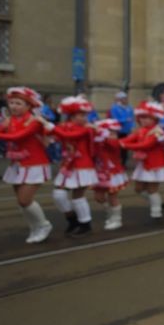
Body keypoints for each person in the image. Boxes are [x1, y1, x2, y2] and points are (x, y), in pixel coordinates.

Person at [0, 87, 54, 244]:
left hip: (34, 163)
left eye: (18, 103)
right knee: (21, 201)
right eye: (11, 102)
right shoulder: (9, 120)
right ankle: (34, 227)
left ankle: (44, 225)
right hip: (17, 164)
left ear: (28, 106)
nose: (13, 106)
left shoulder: (34, 121)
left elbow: (19, 136)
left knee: (24, 200)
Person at [50, 96, 99, 237]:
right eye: (81, 115)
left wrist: (51, 127)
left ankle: (85, 224)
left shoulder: (87, 129)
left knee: (78, 196)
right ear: (71, 115)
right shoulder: (64, 126)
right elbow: (54, 135)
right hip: (68, 165)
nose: (85, 118)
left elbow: (70, 135)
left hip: (83, 166)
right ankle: (72, 219)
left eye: (85, 115)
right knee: (58, 194)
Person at [120, 100, 164, 219]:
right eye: (142, 117)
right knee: (138, 189)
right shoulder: (141, 130)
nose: (144, 120)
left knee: (152, 189)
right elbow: (129, 139)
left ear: (155, 119)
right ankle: (157, 203)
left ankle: (156, 212)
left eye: (148, 118)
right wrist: (117, 142)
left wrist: (125, 146)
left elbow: (147, 145)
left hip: (154, 164)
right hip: (143, 164)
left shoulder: (157, 131)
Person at [92, 118, 128, 230]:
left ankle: (117, 219)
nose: (112, 135)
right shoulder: (99, 141)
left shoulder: (115, 142)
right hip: (99, 172)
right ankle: (110, 213)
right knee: (98, 197)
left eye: (113, 133)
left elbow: (111, 145)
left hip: (113, 173)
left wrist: (102, 134)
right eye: (109, 132)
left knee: (112, 196)